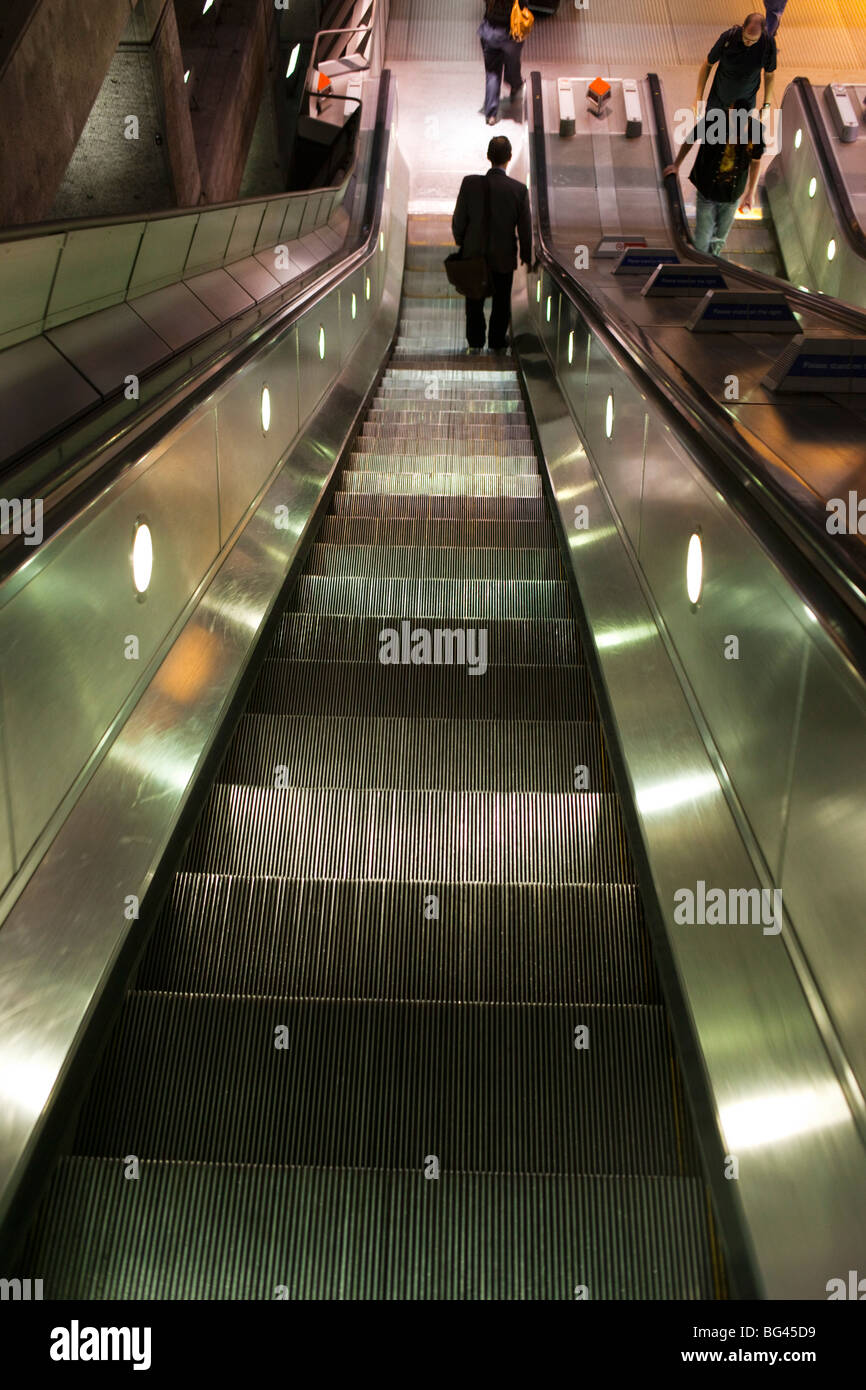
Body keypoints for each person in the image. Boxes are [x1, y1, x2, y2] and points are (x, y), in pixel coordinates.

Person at [452, 135, 532, 354]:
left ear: (488, 156)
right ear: (509, 158)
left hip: (474, 255)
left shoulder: (469, 184)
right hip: (503, 257)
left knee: (474, 301)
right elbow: (525, 229)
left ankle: (475, 342)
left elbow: (459, 220)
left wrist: (462, 242)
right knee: (501, 302)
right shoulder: (519, 190)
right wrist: (527, 256)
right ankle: (497, 342)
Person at [663, 108, 766, 256]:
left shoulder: (755, 130)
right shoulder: (714, 120)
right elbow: (691, 138)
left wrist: (751, 193)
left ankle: (713, 265)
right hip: (708, 193)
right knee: (702, 241)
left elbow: (756, 161)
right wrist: (676, 164)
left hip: (732, 197)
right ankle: (699, 269)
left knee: (718, 240)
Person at [694, 13, 776, 119]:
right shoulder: (728, 38)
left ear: (761, 34)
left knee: (739, 135)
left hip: (745, 104)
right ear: (743, 28)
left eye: (753, 41)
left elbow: (769, 74)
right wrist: (698, 97)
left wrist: (767, 105)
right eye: (746, 38)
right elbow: (707, 64)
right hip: (719, 100)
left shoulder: (767, 44)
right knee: (712, 134)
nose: (749, 43)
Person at [478, 0, 525, 126]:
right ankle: (515, 85)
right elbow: (524, 5)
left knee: (492, 73)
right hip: (511, 35)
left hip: (490, 34)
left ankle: (491, 114)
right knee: (513, 63)